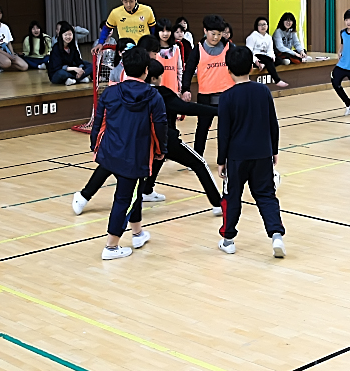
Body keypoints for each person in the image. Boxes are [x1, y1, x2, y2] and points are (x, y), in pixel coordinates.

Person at [76, 48, 167, 260]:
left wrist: (94, 146)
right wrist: (162, 151)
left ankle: (137, 233)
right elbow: (160, 127)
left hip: (110, 153)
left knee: (134, 195)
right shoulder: (154, 96)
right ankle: (111, 246)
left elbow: (98, 122)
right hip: (134, 158)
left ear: (123, 68)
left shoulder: (110, 92)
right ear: (146, 70)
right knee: (124, 199)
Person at [216, 46, 285, 258]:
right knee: (266, 195)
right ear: (252, 67)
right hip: (262, 154)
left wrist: (221, 160)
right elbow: (273, 124)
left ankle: (228, 240)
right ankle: (276, 235)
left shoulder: (226, 97)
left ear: (228, 69)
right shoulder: (263, 91)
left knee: (232, 196)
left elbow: (223, 132)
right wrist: (274, 149)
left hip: (237, 157)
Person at [137, 59, 223, 212]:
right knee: (199, 164)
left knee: (158, 158)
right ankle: (218, 204)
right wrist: (218, 111)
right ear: (154, 78)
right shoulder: (161, 93)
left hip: (142, 140)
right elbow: (187, 108)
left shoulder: (134, 92)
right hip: (166, 139)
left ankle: (146, 190)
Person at [181, 14, 235, 157]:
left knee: (227, 129)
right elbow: (188, 70)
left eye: (219, 34)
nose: (216, 37)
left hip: (227, 95)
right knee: (203, 128)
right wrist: (185, 89)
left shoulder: (229, 47)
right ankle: (197, 158)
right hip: (206, 96)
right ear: (205, 31)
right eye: (213, 34)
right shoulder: (198, 49)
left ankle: (226, 157)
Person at [92, 0, 156, 56]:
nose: (128, 5)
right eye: (125, 1)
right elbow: (106, 28)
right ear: (121, 0)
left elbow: (153, 29)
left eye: (131, 1)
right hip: (126, 48)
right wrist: (101, 43)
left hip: (144, 48)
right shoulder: (115, 12)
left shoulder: (147, 10)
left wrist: (154, 45)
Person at [245, 17, 288, 88]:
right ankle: (277, 80)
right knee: (267, 60)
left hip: (265, 58)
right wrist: (255, 61)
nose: (263, 26)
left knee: (278, 60)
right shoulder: (252, 37)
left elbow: (270, 50)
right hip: (255, 57)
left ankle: (264, 64)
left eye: (264, 24)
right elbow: (249, 51)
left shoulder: (268, 37)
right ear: (257, 26)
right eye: (260, 25)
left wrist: (272, 57)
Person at [331, 9, 350, 114]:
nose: (348, 22)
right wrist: (339, 51)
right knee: (335, 81)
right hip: (343, 64)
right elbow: (343, 43)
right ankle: (348, 103)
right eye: (347, 20)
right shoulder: (342, 32)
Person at [0, 5, 28, 72]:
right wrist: (7, 55)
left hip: (6, 50)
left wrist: (12, 53)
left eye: (0, 13)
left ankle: (4, 66)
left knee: (24, 66)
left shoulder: (5, 27)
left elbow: (9, 43)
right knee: (7, 62)